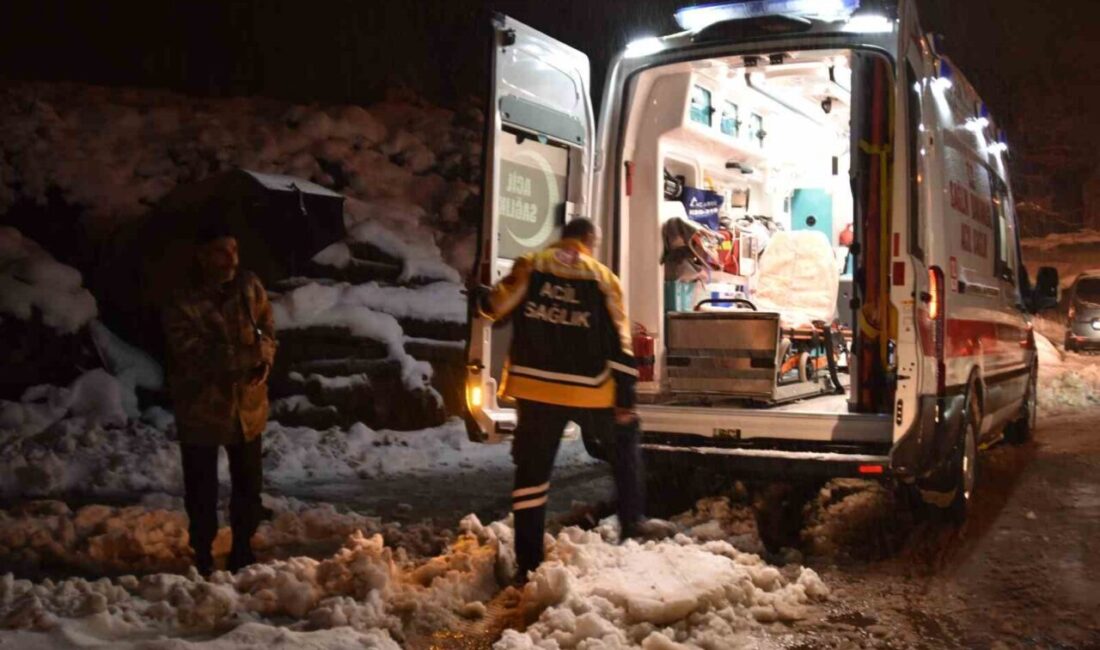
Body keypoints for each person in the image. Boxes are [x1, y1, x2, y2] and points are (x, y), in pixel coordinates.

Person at [476, 218, 643, 584]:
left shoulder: (531, 265)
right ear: (589, 241)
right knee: (624, 447)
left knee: (532, 477)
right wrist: (625, 397)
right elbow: (621, 343)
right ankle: (632, 525)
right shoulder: (603, 278)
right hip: (591, 390)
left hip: (536, 390)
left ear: (564, 237)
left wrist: (482, 293)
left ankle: (529, 563)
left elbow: (492, 307)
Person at [162, 224, 277, 576]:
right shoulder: (182, 298)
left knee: (248, 486)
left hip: (248, 409)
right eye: (220, 251)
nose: (230, 258)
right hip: (202, 410)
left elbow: (268, 330)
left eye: (234, 250)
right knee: (201, 489)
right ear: (202, 255)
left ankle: (243, 547)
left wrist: (265, 361)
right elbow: (191, 354)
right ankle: (202, 552)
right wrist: (246, 355)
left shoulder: (249, 287)